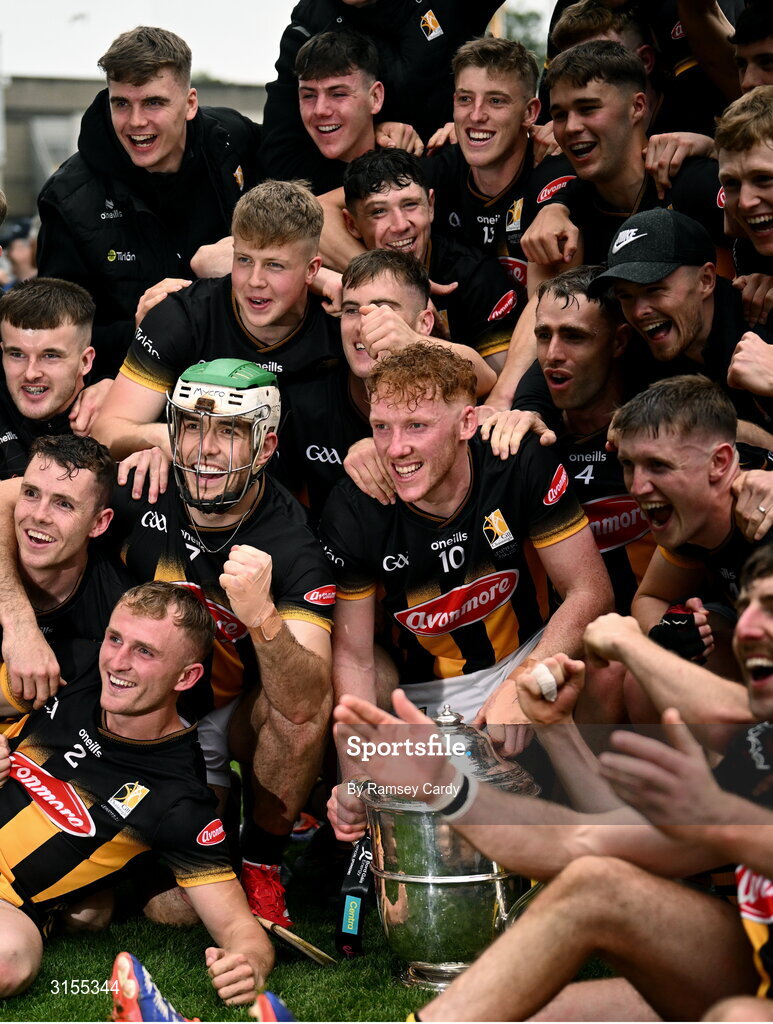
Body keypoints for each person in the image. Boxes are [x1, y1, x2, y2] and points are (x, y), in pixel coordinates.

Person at [329, 541, 773, 1021]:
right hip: (749, 964)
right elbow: (589, 843)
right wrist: (449, 787)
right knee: (580, 915)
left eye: (769, 608)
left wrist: (632, 646)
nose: (746, 627)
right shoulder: (758, 745)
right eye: (745, 606)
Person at [320, 343, 612, 783]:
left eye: (417, 426)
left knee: (612, 659)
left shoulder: (517, 460)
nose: (396, 449)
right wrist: (356, 783)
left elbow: (591, 591)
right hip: (421, 692)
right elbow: (356, 658)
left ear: (467, 423)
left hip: (526, 655)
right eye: (382, 427)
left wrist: (526, 680)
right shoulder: (354, 506)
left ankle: (610, 817)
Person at [108, 358, 334, 928]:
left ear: (265, 446)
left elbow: (308, 699)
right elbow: (23, 500)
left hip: (235, 710)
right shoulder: (141, 487)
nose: (205, 449)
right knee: (172, 909)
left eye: (230, 432)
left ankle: (261, 867)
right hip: (152, 712)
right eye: (191, 427)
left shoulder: (292, 540)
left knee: (297, 714)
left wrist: (261, 616)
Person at [0, 580, 273, 1005]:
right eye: (115, 639)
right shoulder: (74, 665)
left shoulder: (179, 800)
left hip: (9, 906)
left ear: (187, 677)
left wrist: (249, 964)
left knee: (9, 963)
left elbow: (240, 929)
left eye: (144, 651)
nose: (117, 662)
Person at [36, 26, 263, 376]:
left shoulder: (233, 138)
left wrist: (246, 258)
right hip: (130, 380)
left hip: (244, 367)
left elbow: (302, 188)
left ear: (190, 104)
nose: (136, 121)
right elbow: (53, 334)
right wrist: (140, 328)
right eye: (121, 104)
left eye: (154, 102)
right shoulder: (66, 198)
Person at [91, 179, 339, 460]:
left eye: (274, 265)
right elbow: (104, 433)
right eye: (244, 260)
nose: (255, 281)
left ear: (312, 270)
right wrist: (162, 436)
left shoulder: (340, 324)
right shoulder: (180, 317)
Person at [280, 249, 496, 522]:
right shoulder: (304, 403)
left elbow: (483, 378)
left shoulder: (448, 388)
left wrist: (411, 341)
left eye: (383, 310)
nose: (363, 326)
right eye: (351, 310)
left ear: (424, 323)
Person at [261, 0, 504, 183]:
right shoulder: (309, 26)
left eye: (337, 93)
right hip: (361, 195)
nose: (322, 106)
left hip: (460, 177)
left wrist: (467, 121)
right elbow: (283, 162)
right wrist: (366, 139)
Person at [589, 206, 773, 441]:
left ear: (706, 281)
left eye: (654, 289)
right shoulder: (633, 342)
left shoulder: (763, 328)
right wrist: (531, 406)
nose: (638, 311)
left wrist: (738, 433)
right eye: (625, 296)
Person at [342, 148, 519, 369]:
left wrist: (423, 341)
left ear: (431, 205)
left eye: (410, 205)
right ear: (351, 224)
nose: (401, 225)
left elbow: (500, 381)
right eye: (379, 211)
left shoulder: (476, 275)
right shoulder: (341, 278)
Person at [0, 434, 132, 721]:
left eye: (64, 504)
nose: (39, 515)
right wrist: (20, 628)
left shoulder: (117, 614)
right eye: (31, 494)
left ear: (99, 523)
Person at [0, 278, 112, 478]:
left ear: (85, 361)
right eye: (17, 354)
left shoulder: (114, 419)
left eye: (50, 356)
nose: (31, 373)